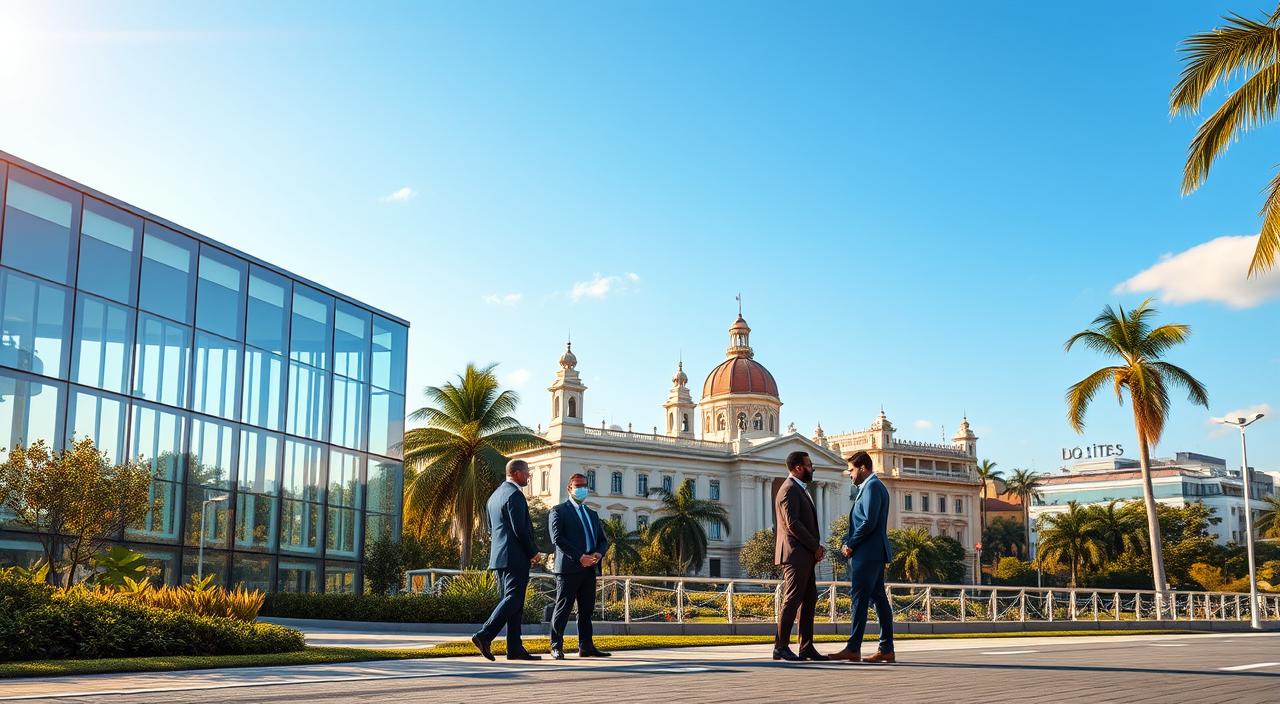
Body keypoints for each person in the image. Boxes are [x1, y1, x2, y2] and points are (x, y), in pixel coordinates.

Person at [471, 459, 542, 661]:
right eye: (527, 472)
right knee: (514, 599)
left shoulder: (494, 496)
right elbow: (519, 528)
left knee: (513, 602)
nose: (529, 475)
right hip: (515, 557)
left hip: (500, 557)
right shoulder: (514, 496)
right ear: (517, 473)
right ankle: (484, 635)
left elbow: (492, 529)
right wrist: (533, 552)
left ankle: (515, 647)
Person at [829, 450, 895, 663]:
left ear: (863, 468)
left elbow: (868, 521)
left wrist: (850, 543)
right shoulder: (873, 487)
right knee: (879, 599)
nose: (849, 474)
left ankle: (853, 647)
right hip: (874, 551)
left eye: (851, 470)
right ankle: (886, 648)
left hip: (867, 552)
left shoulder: (872, 487)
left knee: (859, 599)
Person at [548, 473, 612, 660]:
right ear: (569, 488)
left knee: (586, 610)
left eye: (585, 485)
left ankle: (586, 646)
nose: (582, 489)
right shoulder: (558, 511)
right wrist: (579, 557)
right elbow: (557, 539)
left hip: (590, 569)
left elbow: (602, 540)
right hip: (569, 568)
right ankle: (556, 646)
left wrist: (599, 554)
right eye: (578, 485)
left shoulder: (591, 514)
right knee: (563, 608)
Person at [773, 451, 830, 662]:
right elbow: (793, 524)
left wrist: (815, 548)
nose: (812, 468)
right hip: (795, 554)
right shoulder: (789, 490)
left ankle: (806, 647)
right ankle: (781, 647)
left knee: (808, 599)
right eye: (809, 464)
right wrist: (815, 546)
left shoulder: (800, 489)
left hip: (804, 554)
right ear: (798, 467)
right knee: (792, 599)